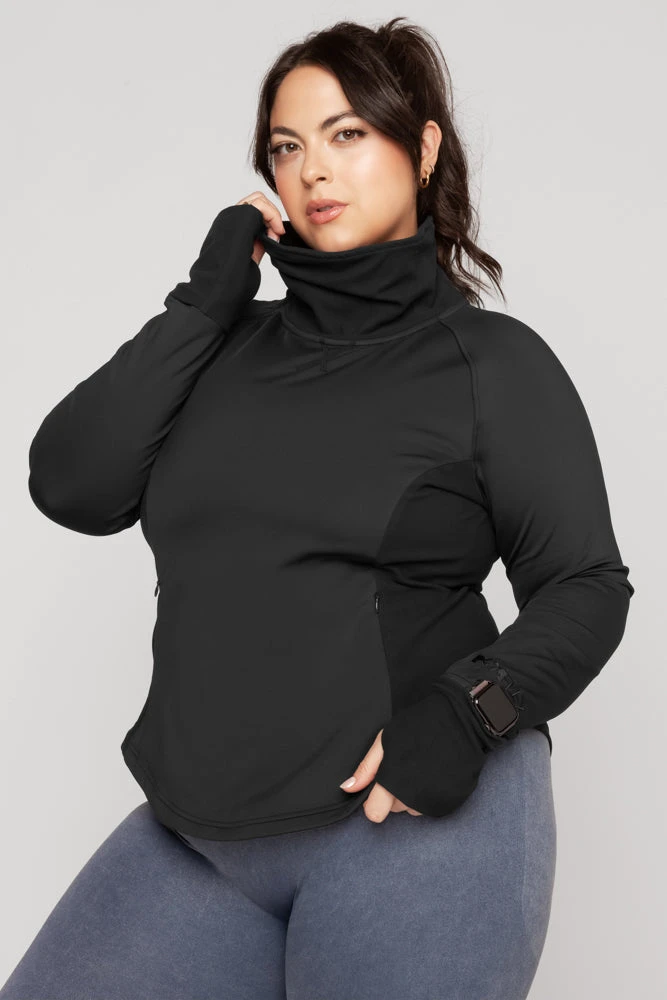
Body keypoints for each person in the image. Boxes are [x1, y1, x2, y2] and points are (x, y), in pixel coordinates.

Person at [2, 16, 633, 1000]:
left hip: (409, 819)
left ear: (422, 147)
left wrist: (470, 713)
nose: (313, 170)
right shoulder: (220, 346)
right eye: (287, 147)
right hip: (199, 837)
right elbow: (72, 483)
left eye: (347, 134)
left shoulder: (491, 366)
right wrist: (205, 299)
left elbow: (587, 586)